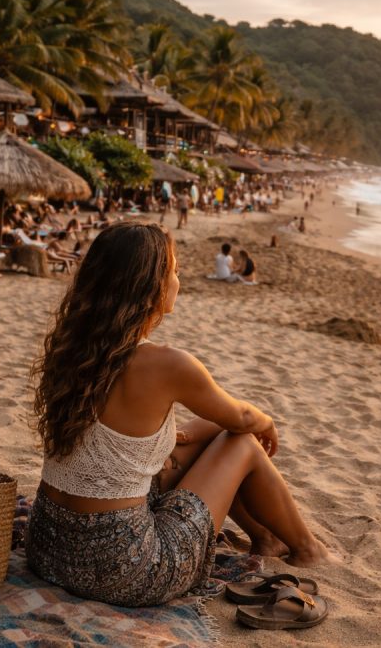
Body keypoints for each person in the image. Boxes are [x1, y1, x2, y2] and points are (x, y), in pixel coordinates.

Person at [25, 222, 333, 609]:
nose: (177, 280)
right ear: (150, 286)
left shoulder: (73, 349)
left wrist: (189, 436)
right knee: (241, 443)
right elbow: (240, 418)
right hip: (122, 569)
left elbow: (121, 437)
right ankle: (307, 549)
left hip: (50, 546)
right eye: (174, 270)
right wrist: (266, 422)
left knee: (211, 432)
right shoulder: (168, 364)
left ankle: (267, 538)